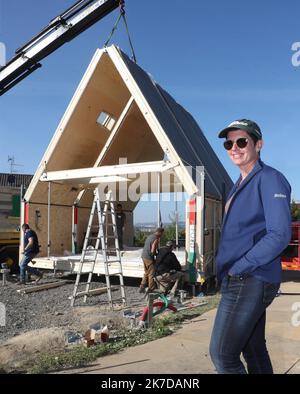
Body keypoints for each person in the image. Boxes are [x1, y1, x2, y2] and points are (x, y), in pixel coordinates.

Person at [209, 119, 292, 374]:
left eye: (242, 141)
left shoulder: (269, 179)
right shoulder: (239, 184)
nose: (234, 147)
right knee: (253, 349)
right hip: (242, 277)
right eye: (229, 142)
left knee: (223, 354)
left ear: (259, 144)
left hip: (250, 278)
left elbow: (279, 234)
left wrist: (238, 268)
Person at [139, 227, 164, 293]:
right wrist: (155, 254)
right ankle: (151, 288)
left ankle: (142, 286)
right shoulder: (156, 239)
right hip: (149, 258)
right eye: (162, 233)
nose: (162, 235)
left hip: (144, 256)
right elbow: (153, 249)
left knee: (146, 272)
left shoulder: (150, 236)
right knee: (151, 273)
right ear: (160, 232)